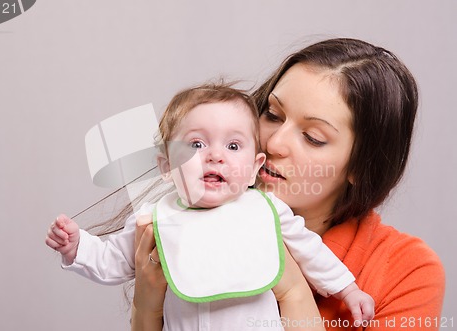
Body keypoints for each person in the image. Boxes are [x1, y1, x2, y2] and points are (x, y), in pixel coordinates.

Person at [128, 38, 446, 331]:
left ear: (362, 167)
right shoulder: (189, 211)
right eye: (273, 114)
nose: (275, 143)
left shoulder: (408, 270)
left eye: (313, 138)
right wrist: (146, 308)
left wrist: (293, 291)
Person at [46, 83, 374, 330]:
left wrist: (349, 290)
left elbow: (310, 250)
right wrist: (77, 247)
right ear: (166, 166)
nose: (215, 155)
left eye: (233, 145)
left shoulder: (266, 210)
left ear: (254, 166)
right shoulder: (154, 218)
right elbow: (113, 261)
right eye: (196, 144)